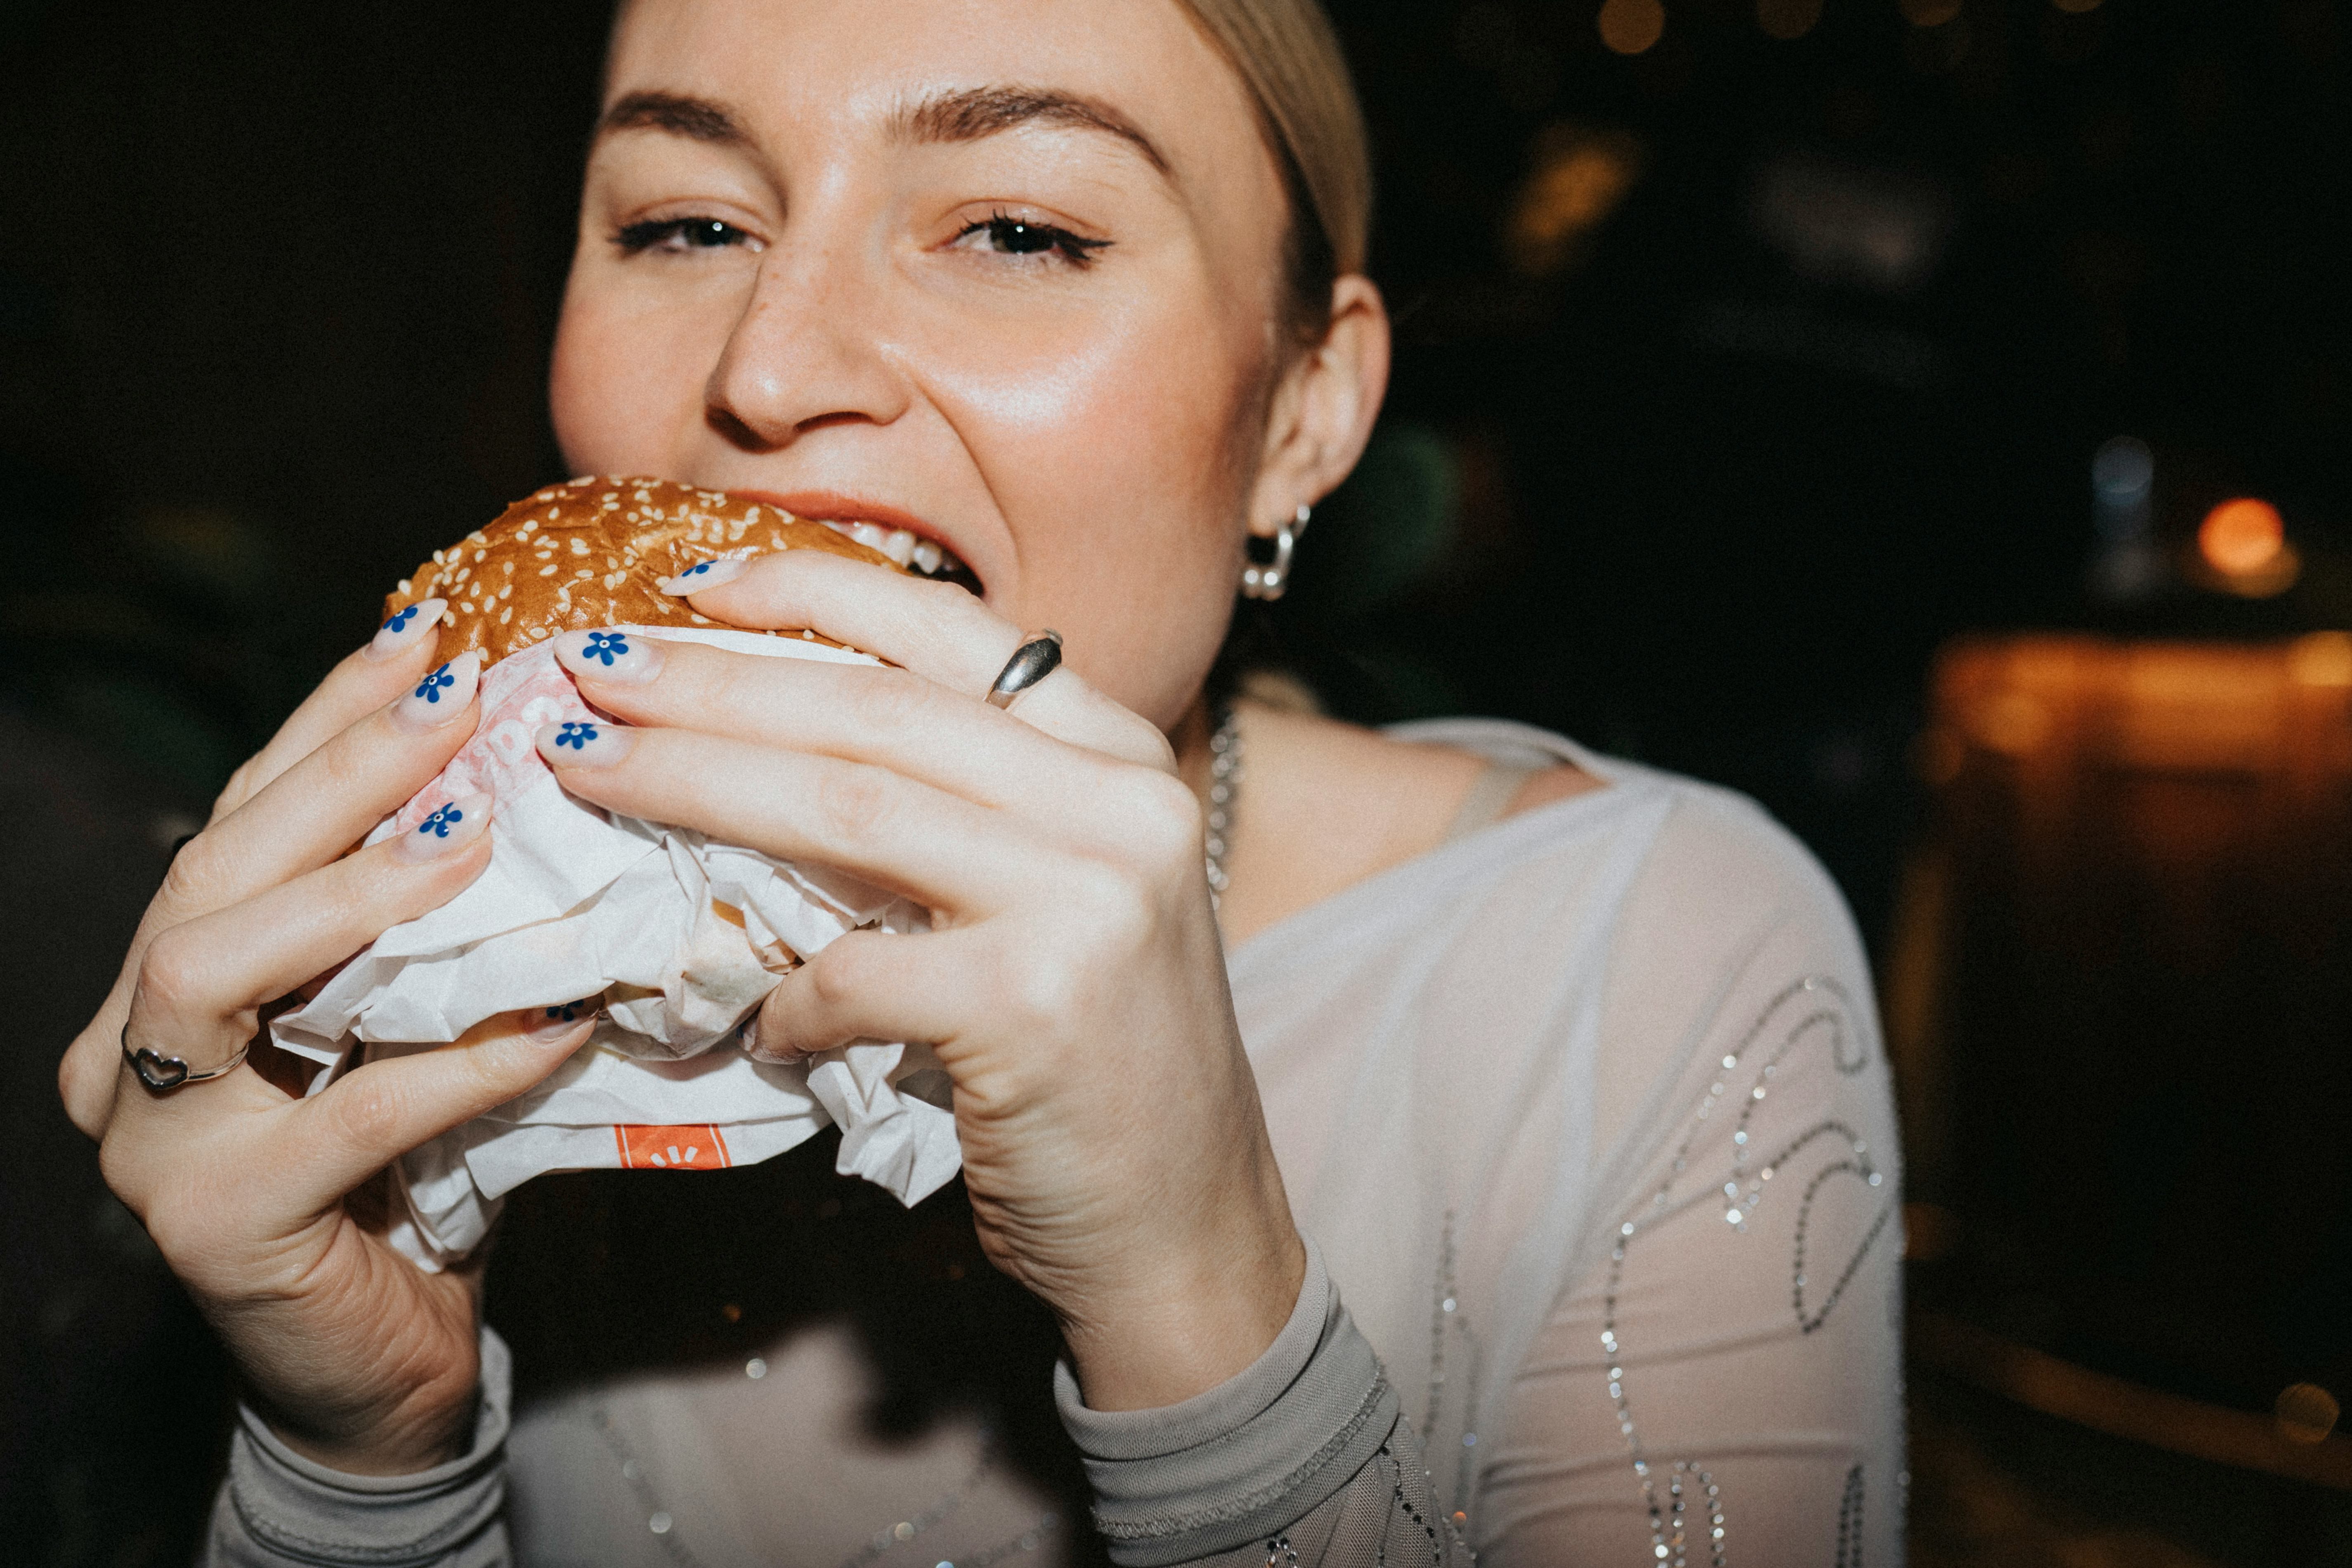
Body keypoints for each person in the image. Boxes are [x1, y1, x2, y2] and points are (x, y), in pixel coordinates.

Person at [58, 0, 1905, 1561]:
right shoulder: (443, 996)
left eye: (1019, 228)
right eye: (687, 223)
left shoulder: (1648, 958)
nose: (770, 369)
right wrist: (362, 1455)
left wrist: (1200, 1301)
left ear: (1305, 412)